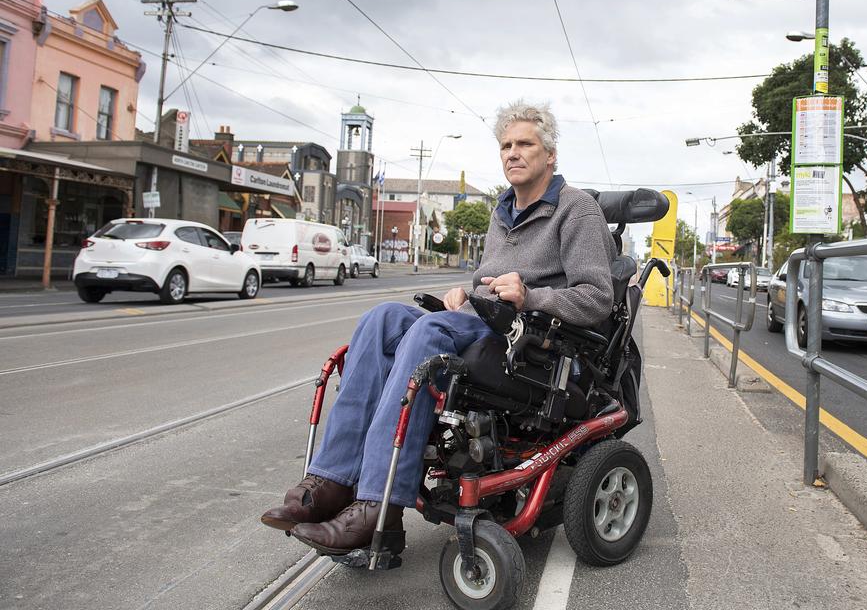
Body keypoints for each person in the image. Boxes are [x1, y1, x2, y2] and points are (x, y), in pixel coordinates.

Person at [261, 100, 616, 554]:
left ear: (550, 155)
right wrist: (464, 292)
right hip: (478, 320)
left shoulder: (576, 210)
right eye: (506, 145)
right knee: (382, 318)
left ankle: (378, 504)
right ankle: (332, 480)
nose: (513, 153)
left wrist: (531, 296)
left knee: (426, 337)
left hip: (526, 341)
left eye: (525, 144)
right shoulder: (502, 210)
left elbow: (596, 298)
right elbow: (486, 277)